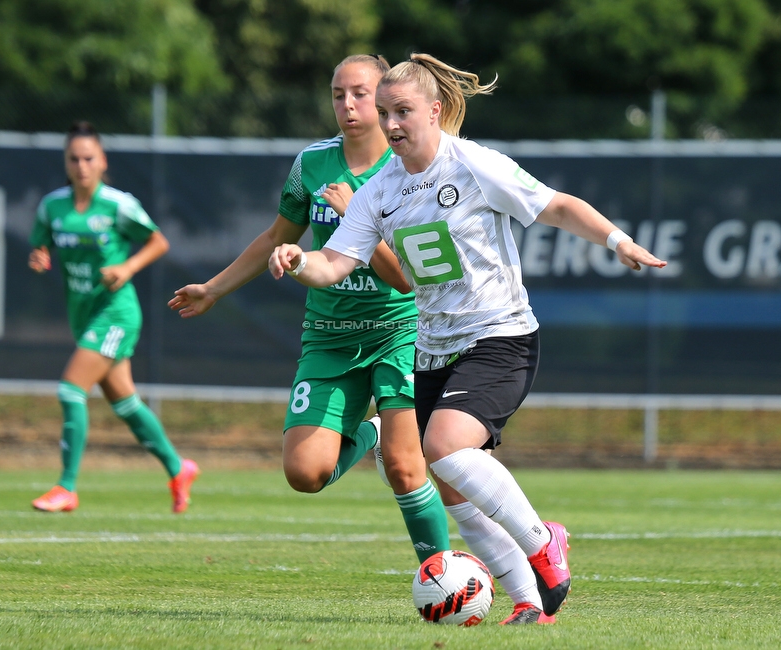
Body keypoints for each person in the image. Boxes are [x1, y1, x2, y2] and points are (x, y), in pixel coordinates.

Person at [268, 53, 667, 624]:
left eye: (402, 110)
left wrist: (616, 240)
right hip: (433, 347)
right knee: (453, 484)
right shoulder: (380, 189)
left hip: (500, 335)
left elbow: (555, 205)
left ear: (435, 111)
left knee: (446, 447)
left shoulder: (474, 165)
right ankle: (529, 600)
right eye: (385, 112)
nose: (392, 123)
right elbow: (333, 263)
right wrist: (297, 259)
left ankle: (541, 539)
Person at [168, 54, 450, 562]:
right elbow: (278, 236)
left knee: (407, 470)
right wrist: (214, 288)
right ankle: (373, 432)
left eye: (360, 93)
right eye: (338, 94)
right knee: (304, 473)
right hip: (330, 334)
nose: (348, 105)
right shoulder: (312, 164)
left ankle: (441, 576)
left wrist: (356, 216)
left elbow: (406, 280)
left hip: (399, 331)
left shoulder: (412, 167)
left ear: (385, 96)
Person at [28, 121, 199, 513]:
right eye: (74, 159)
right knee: (126, 404)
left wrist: (126, 268)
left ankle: (66, 487)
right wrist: (40, 258)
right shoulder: (52, 206)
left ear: (102, 161)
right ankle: (179, 467)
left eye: (89, 158)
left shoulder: (118, 204)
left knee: (70, 390)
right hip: (83, 314)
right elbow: (41, 247)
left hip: (115, 313)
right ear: (66, 162)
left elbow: (158, 241)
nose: (81, 166)